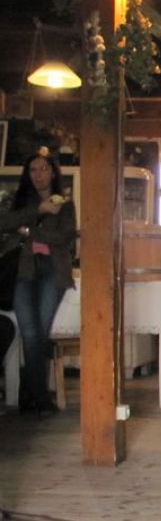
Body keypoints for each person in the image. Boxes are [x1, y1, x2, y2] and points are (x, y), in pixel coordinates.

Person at [0, 152, 76, 415]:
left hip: (52, 271)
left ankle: (30, 395)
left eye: (43, 169)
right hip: (24, 270)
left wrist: (29, 231)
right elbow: (4, 223)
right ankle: (38, 397)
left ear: (53, 172)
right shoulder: (22, 202)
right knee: (30, 334)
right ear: (27, 174)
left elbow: (64, 236)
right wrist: (39, 211)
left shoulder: (65, 205)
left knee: (39, 334)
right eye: (33, 169)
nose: (39, 174)